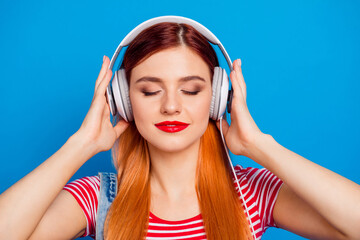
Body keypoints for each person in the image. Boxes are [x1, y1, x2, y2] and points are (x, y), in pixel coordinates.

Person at [0, 16, 359, 240]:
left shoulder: (250, 195)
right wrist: (79, 146)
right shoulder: (99, 199)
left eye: (191, 90)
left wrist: (259, 145)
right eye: (150, 90)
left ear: (219, 97)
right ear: (123, 100)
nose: (171, 105)